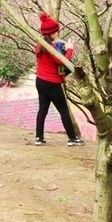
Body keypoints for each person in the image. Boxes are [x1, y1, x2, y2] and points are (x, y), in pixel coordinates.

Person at [33, 13, 84, 146]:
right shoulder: (50, 49)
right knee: (63, 110)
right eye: (55, 32)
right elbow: (62, 62)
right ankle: (72, 138)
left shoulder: (39, 45)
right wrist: (70, 50)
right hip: (52, 83)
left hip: (40, 81)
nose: (57, 34)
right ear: (49, 34)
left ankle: (39, 137)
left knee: (42, 109)